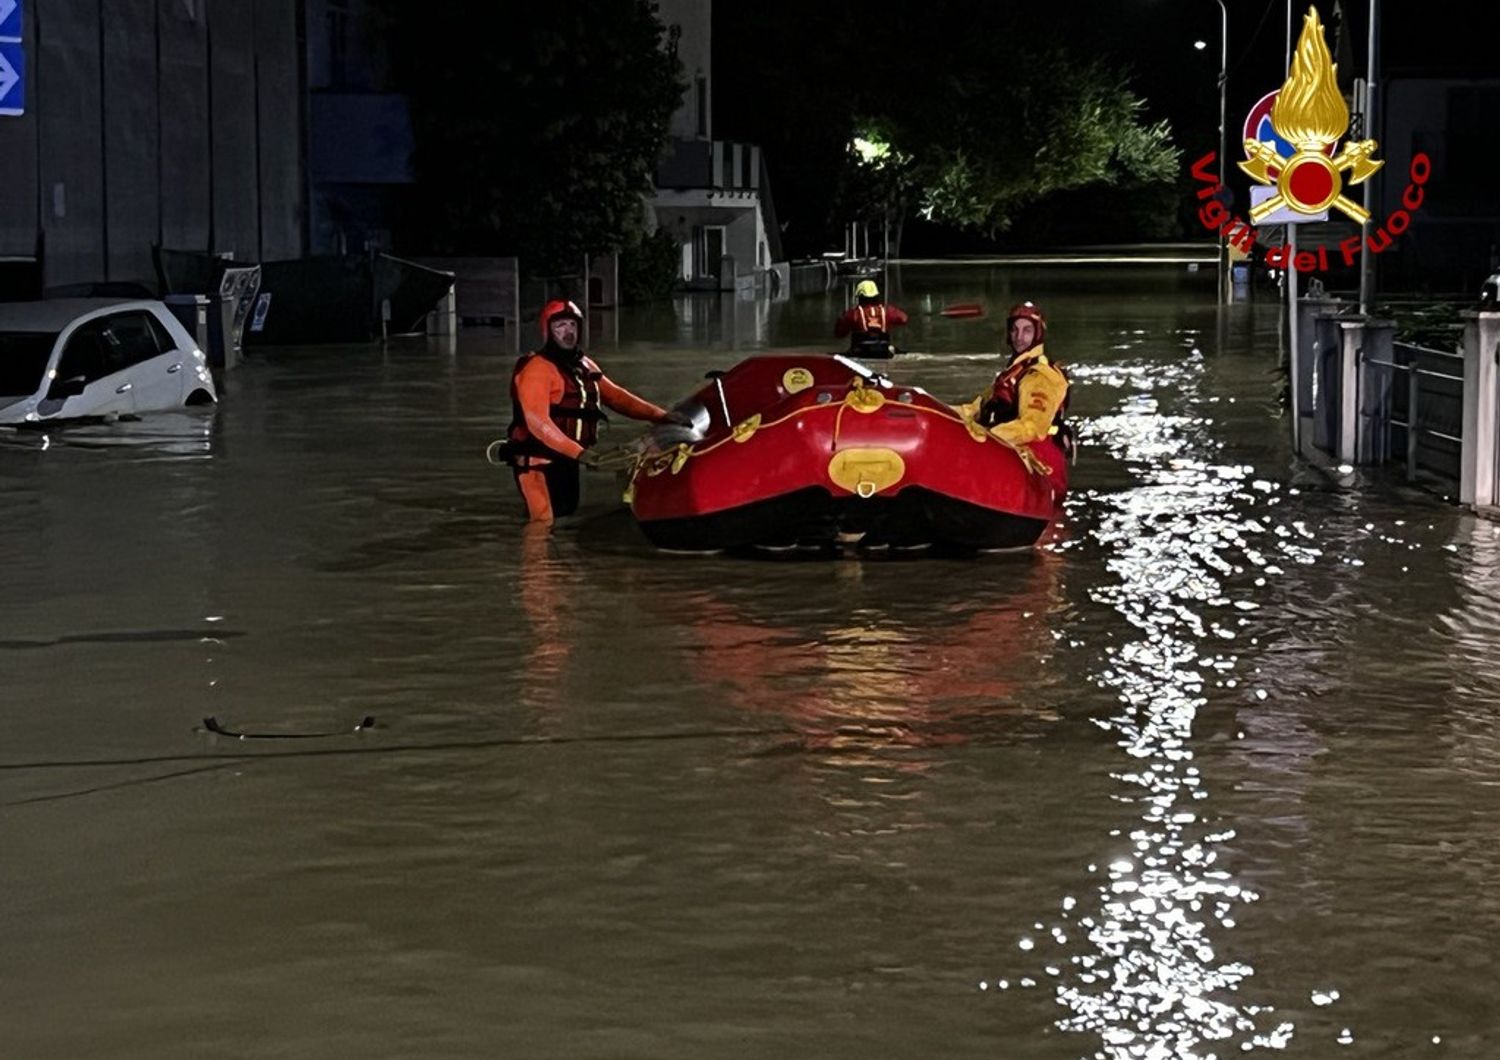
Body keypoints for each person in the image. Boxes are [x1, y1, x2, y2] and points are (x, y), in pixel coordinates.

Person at [498, 299, 680, 524]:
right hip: (536, 461)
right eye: (560, 326)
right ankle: (532, 557)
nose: (568, 332)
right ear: (548, 330)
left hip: (567, 459)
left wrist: (661, 415)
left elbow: (616, 397)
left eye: (573, 325)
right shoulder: (536, 369)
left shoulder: (584, 365)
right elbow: (538, 423)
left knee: (566, 513)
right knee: (543, 522)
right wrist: (582, 454)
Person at [954, 300, 1072, 472]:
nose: (1019, 337)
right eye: (1015, 330)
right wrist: (932, 409)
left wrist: (985, 439)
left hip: (1041, 463)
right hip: (1008, 448)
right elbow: (973, 410)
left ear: (1037, 334)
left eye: (1027, 331)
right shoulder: (1012, 373)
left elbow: (1031, 428)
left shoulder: (1039, 376)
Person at [834, 279, 908, 357]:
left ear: (860, 297)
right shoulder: (888, 311)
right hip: (883, 351)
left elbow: (839, 334)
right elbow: (904, 319)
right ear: (876, 296)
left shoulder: (853, 314)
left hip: (859, 352)